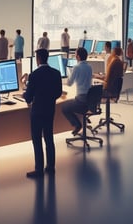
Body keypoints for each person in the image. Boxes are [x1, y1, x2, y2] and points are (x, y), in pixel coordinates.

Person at [23, 48, 62, 178]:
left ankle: (39, 169)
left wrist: (26, 94)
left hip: (37, 112)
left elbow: (28, 98)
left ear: (38, 59)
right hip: (50, 110)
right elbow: (58, 93)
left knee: (37, 140)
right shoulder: (56, 73)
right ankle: (51, 167)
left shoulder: (34, 75)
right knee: (49, 138)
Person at [61, 47, 92, 135]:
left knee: (64, 107)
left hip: (81, 101)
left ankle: (77, 125)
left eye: (75, 55)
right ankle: (82, 124)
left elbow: (69, 83)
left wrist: (68, 74)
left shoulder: (76, 67)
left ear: (78, 57)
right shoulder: (89, 67)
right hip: (89, 99)